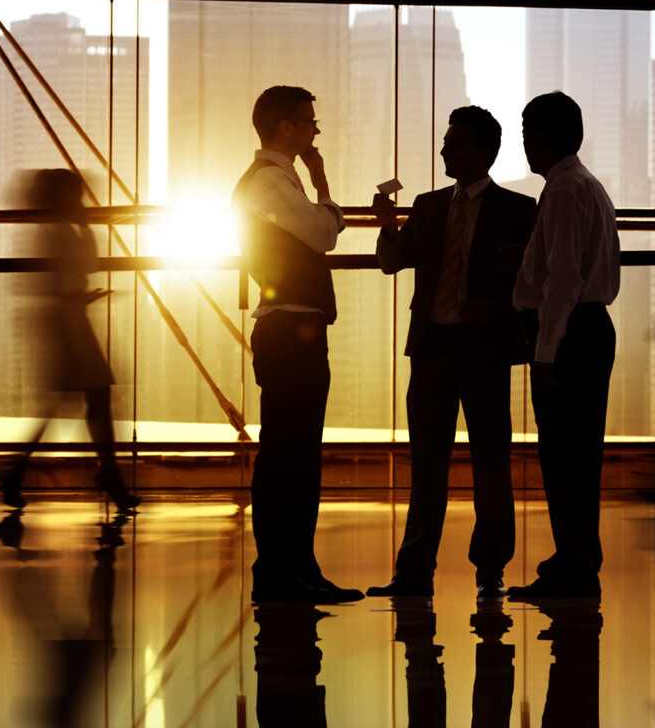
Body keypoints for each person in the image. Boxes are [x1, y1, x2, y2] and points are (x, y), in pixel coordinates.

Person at [366, 105, 536, 600]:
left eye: (456, 142)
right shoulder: (428, 204)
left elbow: (533, 280)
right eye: (447, 141)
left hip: (483, 349)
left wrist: (499, 305)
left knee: (490, 464)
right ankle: (414, 571)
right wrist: (387, 224)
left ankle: (490, 572)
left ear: (485, 151)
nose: (445, 149)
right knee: (427, 466)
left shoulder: (518, 210)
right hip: (433, 348)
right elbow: (390, 263)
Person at [235, 85, 360, 604]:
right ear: (285, 128)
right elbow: (322, 233)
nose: (315, 130)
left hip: (294, 329)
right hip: (289, 331)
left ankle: (294, 567)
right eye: (309, 121)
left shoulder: (275, 180)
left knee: (296, 452)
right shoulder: (268, 181)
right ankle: (284, 569)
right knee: (291, 452)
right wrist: (325, 187)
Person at [508, 91, 619, 601]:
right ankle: (576, 556)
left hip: (569, 333)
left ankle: (573, 562)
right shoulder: (585, 185)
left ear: (546, 136)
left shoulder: (563, 191)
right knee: (580, 452)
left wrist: (546, 349)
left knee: (562, 454)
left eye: (528, 132)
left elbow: (563, 281)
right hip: (588, 329)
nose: (525, 143)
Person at [0, 168, 139, 513]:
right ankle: (106, 474)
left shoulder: (55, 229)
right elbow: (82, 266)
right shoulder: (57, 231)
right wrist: (86, 227)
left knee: (80, 399)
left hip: (68, 320)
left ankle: (17, 471)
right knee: (94, 397)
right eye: (76, 196)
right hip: (67, 323)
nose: (81, 201)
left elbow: (77, 269)